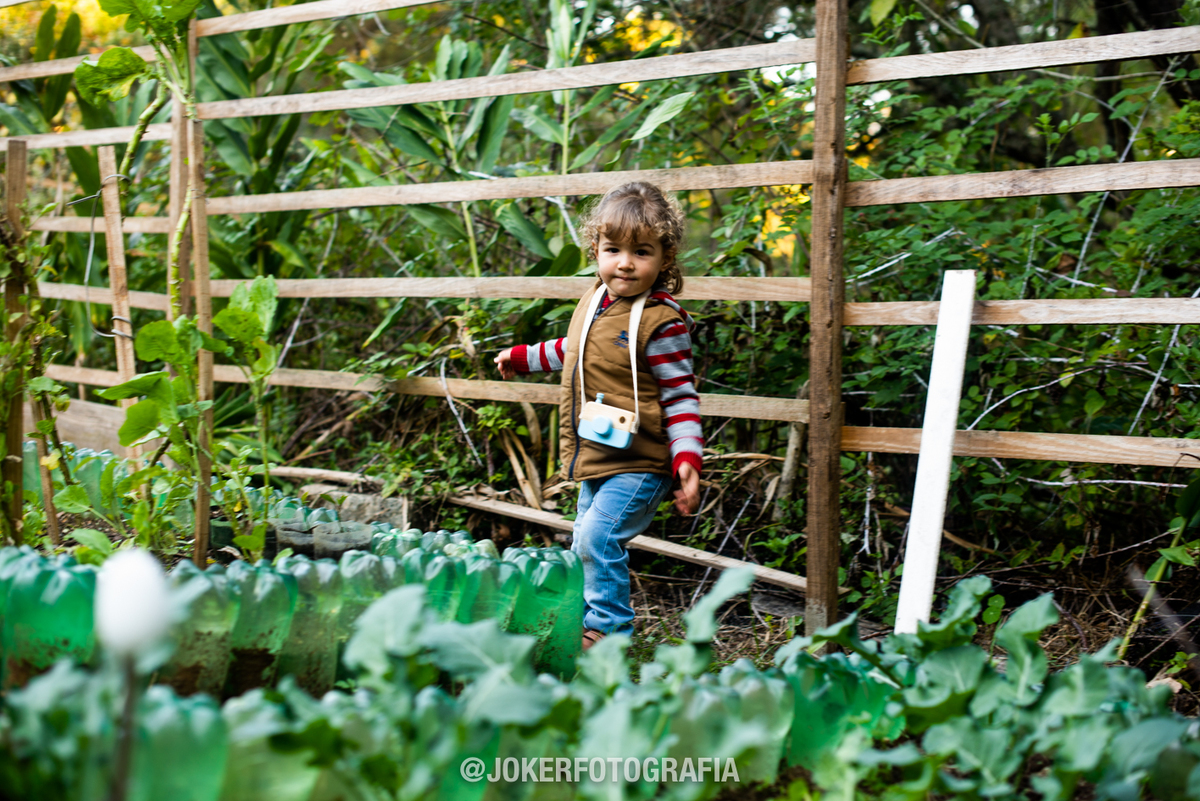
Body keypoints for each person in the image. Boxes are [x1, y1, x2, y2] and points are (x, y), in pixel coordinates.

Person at [495, 181, 702, 651]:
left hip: (643, 459)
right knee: (584, 542)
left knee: (596, 537)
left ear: (664, 258)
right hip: (600, 450)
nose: (625, 262)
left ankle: (608, 633)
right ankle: (586, 623)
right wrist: (524, 357)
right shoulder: (595, 302)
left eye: (641, 251)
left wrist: (686, 457)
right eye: (613, 249)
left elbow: (681, 395)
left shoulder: (661, 322)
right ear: (596, 249)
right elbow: (574, 351)